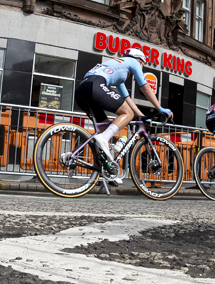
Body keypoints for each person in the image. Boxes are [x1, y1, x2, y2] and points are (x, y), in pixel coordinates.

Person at [74, 47, 173, 183]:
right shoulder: (133, 62)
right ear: (140, 60)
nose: (142, 67)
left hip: (82, 90)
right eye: (143, 64)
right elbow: (145, 88)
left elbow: (127, 99)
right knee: (125, 116)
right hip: (95, 85)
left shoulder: (119, 71)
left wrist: (141, 116)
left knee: (105, 127)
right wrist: (160, 108)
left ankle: (107, 172)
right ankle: (103, 140)